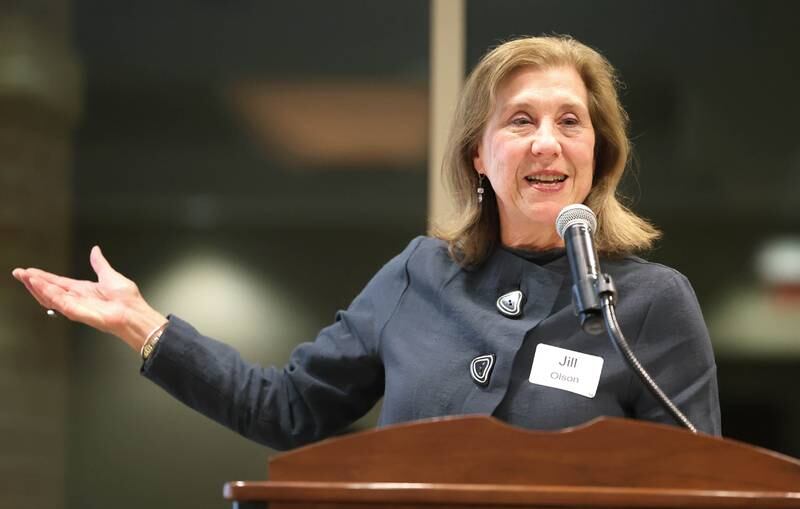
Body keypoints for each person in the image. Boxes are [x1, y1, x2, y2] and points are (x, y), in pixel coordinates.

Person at [11, 35, 721, 450]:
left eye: (570, 121)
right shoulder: (421, 274)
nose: (546, 141)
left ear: (599, 152)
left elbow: (703, 490)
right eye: (519, 120)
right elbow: (288, 408)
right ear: (478, 154)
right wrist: (144, 325)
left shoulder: (651, 303)